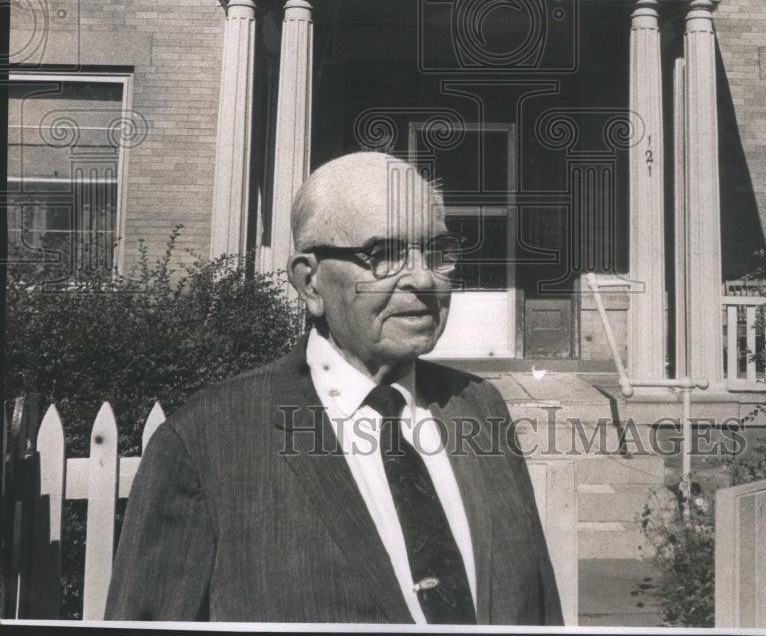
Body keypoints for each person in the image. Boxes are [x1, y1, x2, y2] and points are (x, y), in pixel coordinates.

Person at [105, 152, 563, 624]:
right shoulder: (209, 438)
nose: (425, 279)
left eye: (439, 251)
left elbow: (540, 609)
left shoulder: (479, 408)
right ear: (310, 283)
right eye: (384, 255)